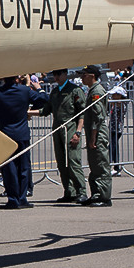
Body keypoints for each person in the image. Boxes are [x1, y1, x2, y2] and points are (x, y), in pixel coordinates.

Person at [0, 76, 48, 209]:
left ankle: (13, 199)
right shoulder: (24, 90)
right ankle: (22, 198)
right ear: (16, 79)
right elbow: (43, 99)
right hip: (22, 133)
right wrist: (39, 89)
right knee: (23, 167)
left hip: (5, 134)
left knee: (8, 169)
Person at [42, 68, 87, 202]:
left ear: (65, 74)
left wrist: (78, 132)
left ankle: (81, 192)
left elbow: (82, 113)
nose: (56, 77)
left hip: (71, 129)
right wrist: (26, 112)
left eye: (58, 74)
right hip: (57, 130)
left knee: (73, 161)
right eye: (54, 74)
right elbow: (46, 110)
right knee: (62, 163)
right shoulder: (55, 92)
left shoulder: (74, 90)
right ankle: (69, 192)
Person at [80, 65, 113, 206]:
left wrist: (93, 137)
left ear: (92, 75)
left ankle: (103, 197)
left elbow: (97, 117)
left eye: (84, 75)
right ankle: (96, 194)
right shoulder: (92, 90)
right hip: (93, 133)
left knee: (100, 164)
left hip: (97, 133)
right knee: (94, 164)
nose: (81, 78)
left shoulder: (97, 91)